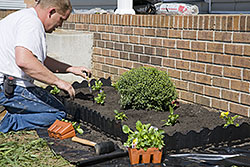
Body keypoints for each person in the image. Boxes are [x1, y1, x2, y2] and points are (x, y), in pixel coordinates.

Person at [0, 0, 91, 133]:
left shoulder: (22, 17)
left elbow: (38, 59)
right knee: (59, 114)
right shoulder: (32, 24)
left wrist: (71, 69)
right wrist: (59, 82)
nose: (60, 25)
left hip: (6, 84)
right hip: (9, 88)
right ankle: (7, 121)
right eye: (61, 19)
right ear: (51, 12)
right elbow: (24, 61)